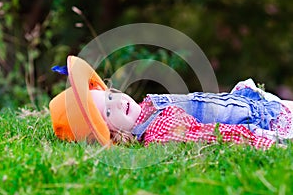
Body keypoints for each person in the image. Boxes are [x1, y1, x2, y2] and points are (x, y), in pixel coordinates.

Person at [49, 56, 293, 149]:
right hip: (262, 120)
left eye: (110, 96)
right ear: (113, 135)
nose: (117, 102)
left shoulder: (147, 108)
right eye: (108, 111)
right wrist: (260, 139)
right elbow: (210, 134)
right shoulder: (158, 130)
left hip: (249, 103)